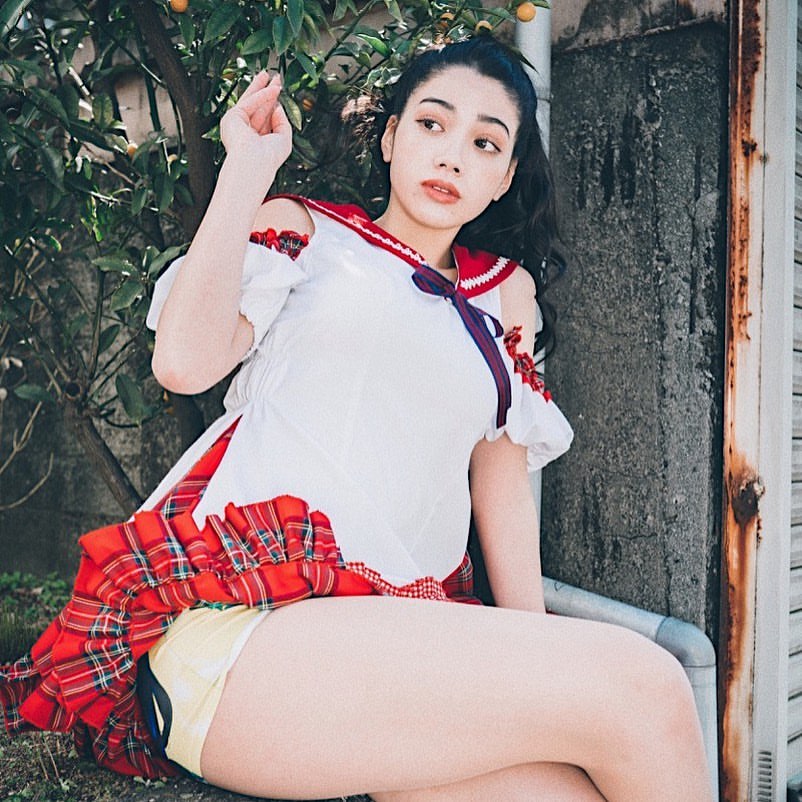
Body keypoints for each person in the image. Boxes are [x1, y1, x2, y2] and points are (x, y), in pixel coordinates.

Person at [0, 36, 713, 801]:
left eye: (484, 143)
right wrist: (246, 169)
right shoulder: (309, 233)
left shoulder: (506, 294)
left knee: (575, 789)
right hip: (249, 641)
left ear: (505, 177)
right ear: (391, 136)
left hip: (393, 659)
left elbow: (501, 490)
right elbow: (182, 364)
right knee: (648, 684)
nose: (452, 156)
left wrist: (533, 660)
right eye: (432, 124)